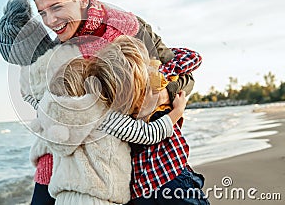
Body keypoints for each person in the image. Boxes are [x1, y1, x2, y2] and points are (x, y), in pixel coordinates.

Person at [0, 0, 198, 204]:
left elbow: (182, 74)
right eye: (42, 13)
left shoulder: (128, 28)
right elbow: (50, 108)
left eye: (56, 7)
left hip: (151, 164)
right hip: (88, 168)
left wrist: (163, 94)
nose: (50, 21)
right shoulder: (59, 48)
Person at [25, 35, 189, 204]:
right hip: (98, 200)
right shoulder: (101, 116)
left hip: (63, 198)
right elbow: (147, 133)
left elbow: (32, 103)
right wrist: (177, 110)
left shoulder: (51, 119)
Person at [88, 36, 209, 205]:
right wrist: (178, 110)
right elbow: (193, 58)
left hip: (139, 191)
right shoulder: (155, 82)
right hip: (171, 174)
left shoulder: (112, 109)